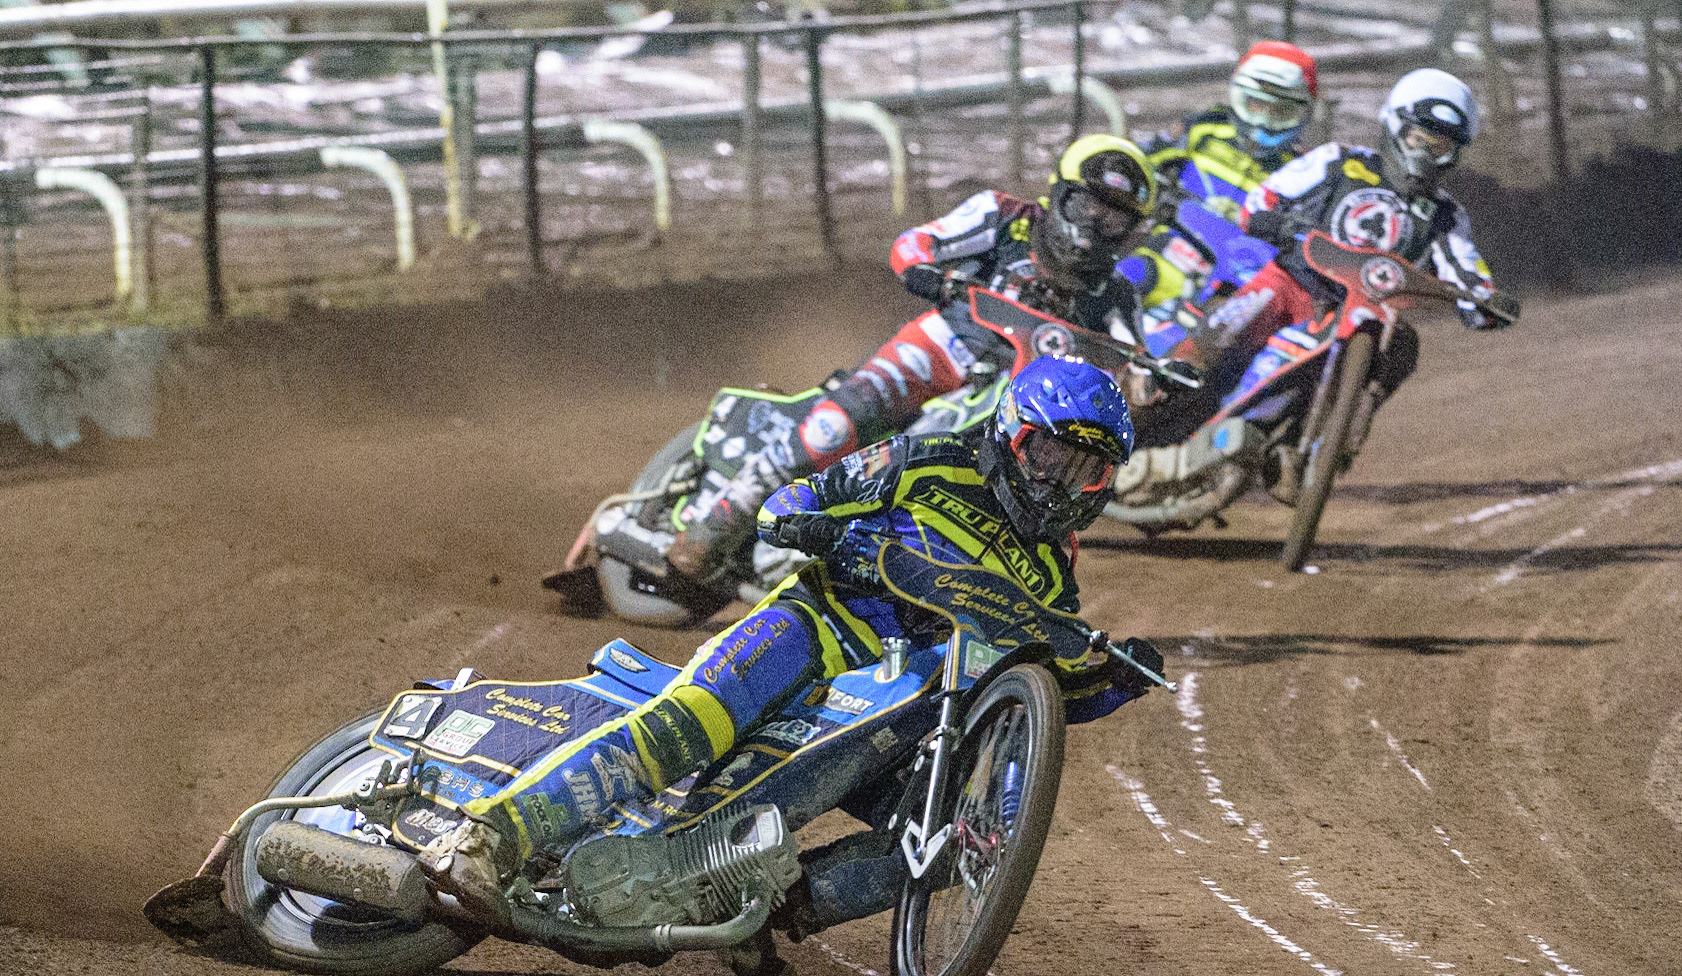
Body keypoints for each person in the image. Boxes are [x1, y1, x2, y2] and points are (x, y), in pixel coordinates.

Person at [424, 355, 1162, 923]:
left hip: (899, 708)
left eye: (1088, 469)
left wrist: (1115, 681)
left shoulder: (1052, 565)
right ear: (1012, 432)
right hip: (811, 631)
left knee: (955, 839)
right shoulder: (925, 460)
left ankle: (772, 922)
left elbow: (1051, 674)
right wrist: (813, 530)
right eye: (1054, 455)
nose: (1064, 482)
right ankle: (488, 836)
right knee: (683, 728)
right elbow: (793, 499)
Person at [664, 134, 1157, 580]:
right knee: (833, 427)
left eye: (1113, 215)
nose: (1096, 222)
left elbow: (1135, 362)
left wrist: (1145, 383)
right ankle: (717, 522)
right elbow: (915, 243)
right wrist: (927, 273)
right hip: (944, 343)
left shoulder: (1115, 295)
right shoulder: (1005, 217)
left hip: (1016, 393)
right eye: (1090, 204)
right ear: (1063, 194)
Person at [1136, 68, 1515, 435]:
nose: (1427, 155)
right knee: (1229, 324)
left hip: (1368, 314)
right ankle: (1148, 394)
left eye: (1441, 147)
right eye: (1420, 140)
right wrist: (1274, 220)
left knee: (1403, 344)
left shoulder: (1446, 215)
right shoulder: (1340, 161)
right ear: (1397, 127)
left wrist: (1486, 301)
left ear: (1456, 152)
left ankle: (1335, 435)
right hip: (1292, 283)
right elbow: (1266, 197)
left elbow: (1465, 271)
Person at [1121, 41, 1319, 312]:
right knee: (1122, 278)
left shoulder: (1302, 172)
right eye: (1256, 104)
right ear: (1239, 95)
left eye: (1281, 111)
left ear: (1302, 112)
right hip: (1170, 257)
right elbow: (1138, 164)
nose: (1263, 120)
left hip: (1235, 290)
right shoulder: (1204, 129)